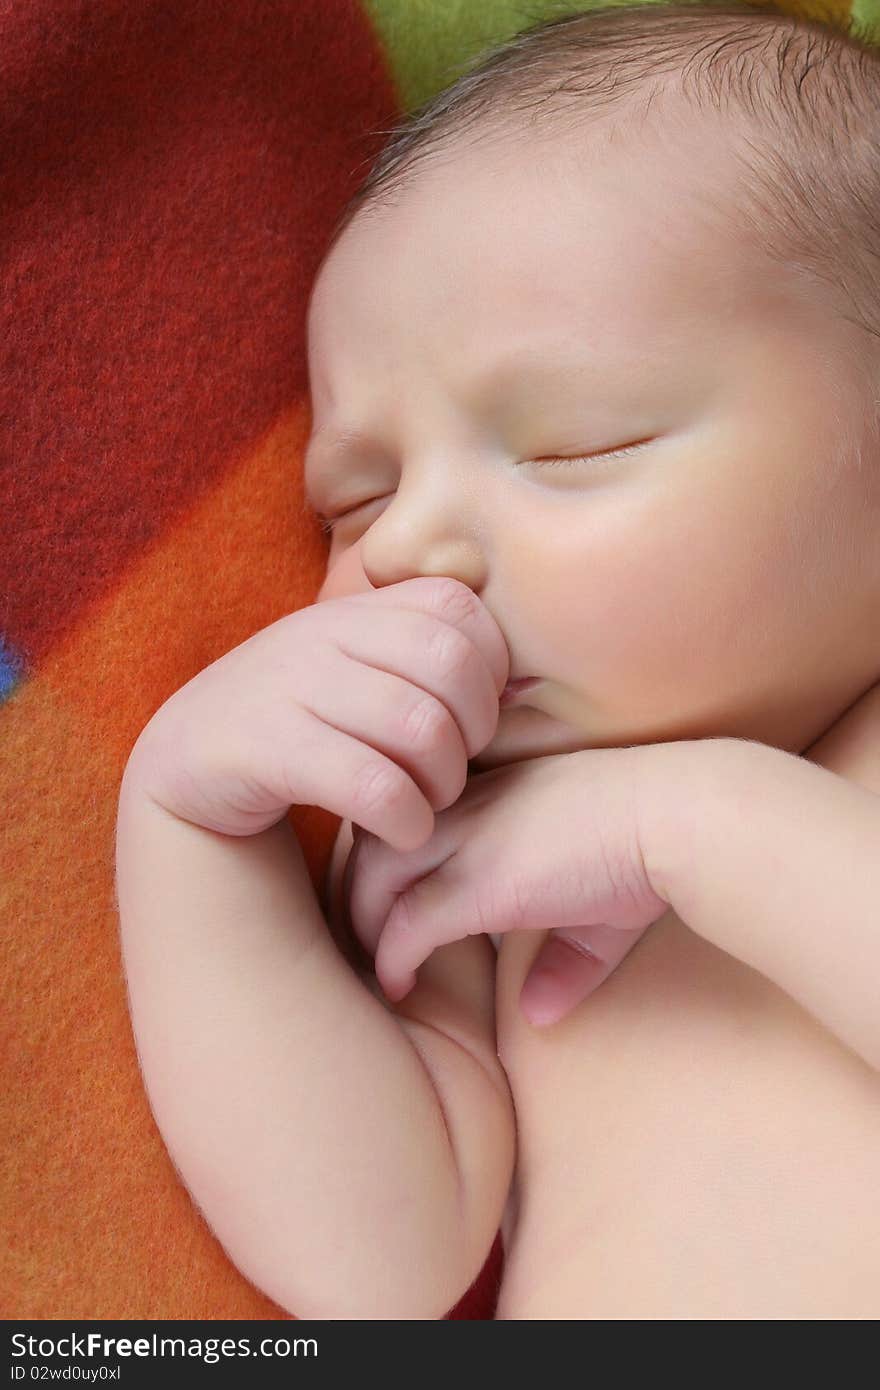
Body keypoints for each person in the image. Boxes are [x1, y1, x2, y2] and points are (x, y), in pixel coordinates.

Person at [114, 4, 880, 1318]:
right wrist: (185, 823)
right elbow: (374, 1264)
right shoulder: (463, 841)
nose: (407, 542)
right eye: (353, 499)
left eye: (575, 445)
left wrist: (684, 827)